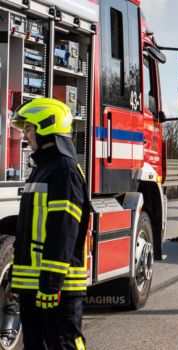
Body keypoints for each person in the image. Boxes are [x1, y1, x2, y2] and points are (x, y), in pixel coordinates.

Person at [10, 98, 88, 349]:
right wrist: (16, 278)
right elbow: (28, 231)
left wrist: (51, 284)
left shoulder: (64, 170)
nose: (26, 135)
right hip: (35, 286)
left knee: (64, 344)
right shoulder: (42, 168)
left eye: (29, 129)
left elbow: (62, 230)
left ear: (47, 127)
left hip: (57, 289)